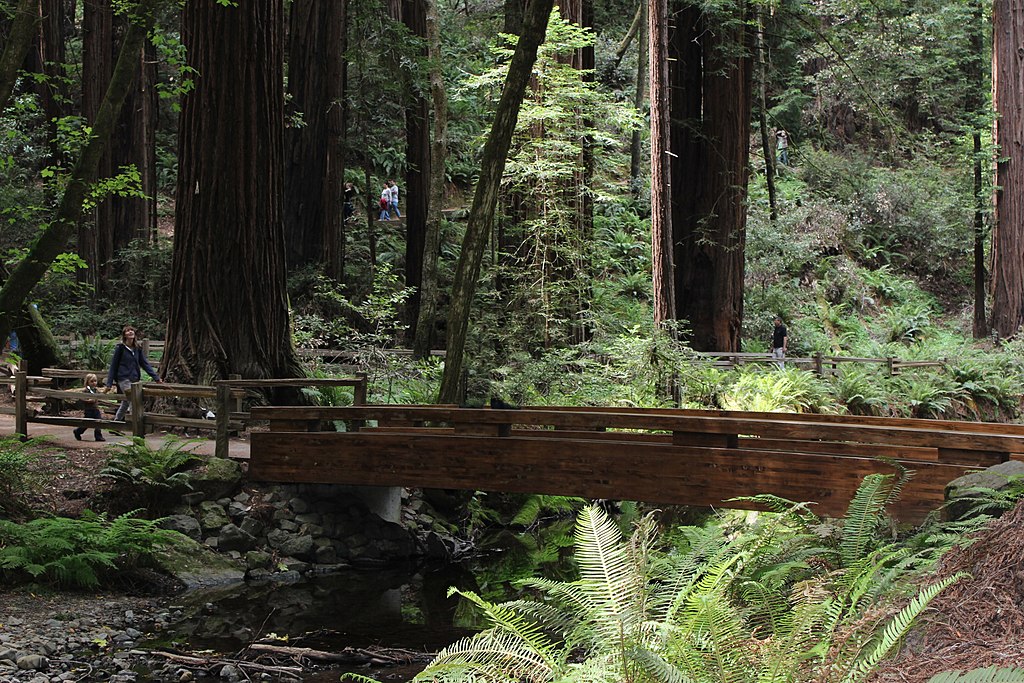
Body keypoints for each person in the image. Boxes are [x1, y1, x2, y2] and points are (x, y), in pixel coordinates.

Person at [104, 325, 162, 421]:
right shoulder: (120, 348)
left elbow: (145, 364)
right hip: (123, 379)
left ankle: (116, 422)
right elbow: (113, 366)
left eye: (132, 330)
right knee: (133, 399)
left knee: (126, 402)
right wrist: (109, 383)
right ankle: (133, 423)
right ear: (124, 335)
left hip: (135, 379)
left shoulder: (137, 349)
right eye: (128, 331)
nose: (130, 332)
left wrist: (156, 378)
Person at [73, 373, 104, 442]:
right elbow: (82, 399)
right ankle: (78, 431)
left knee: (99, 422)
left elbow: (99, 396)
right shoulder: (85, 391)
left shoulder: (96, 390)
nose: (94, 383)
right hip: (88, 410)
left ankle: (98, 436)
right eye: (92, 381)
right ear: (87, 382)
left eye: (95, 381)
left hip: (96, 409)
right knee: (87, 423)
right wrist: (88, 400)